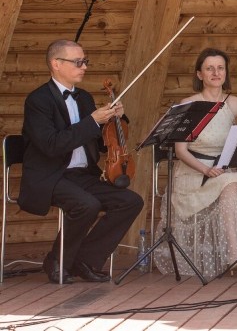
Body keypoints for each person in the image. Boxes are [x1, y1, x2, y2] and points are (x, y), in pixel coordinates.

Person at [19, 39, 144, 283]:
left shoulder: (84, 98)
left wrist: (115, 120)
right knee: (86, 204)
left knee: (130, 201)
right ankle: (57, 260)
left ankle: (85, 261)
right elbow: (51, 145)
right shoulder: (38, 101)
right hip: (50, 175)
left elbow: (98, 142)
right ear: (56, 64)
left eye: (85, 61)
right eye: (78, 62)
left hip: (82, 175)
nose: (84, 66)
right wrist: (91, 122)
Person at [153, 47, 237, 278]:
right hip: (194, 173)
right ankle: (233, 253)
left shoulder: (236, 103)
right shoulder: (189, 104)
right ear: (199, 74)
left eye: (220, 68)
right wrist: (207, 169)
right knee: (228, 185)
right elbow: (180, 151)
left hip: (225, 170)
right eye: (209, 69)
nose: (216, 73)